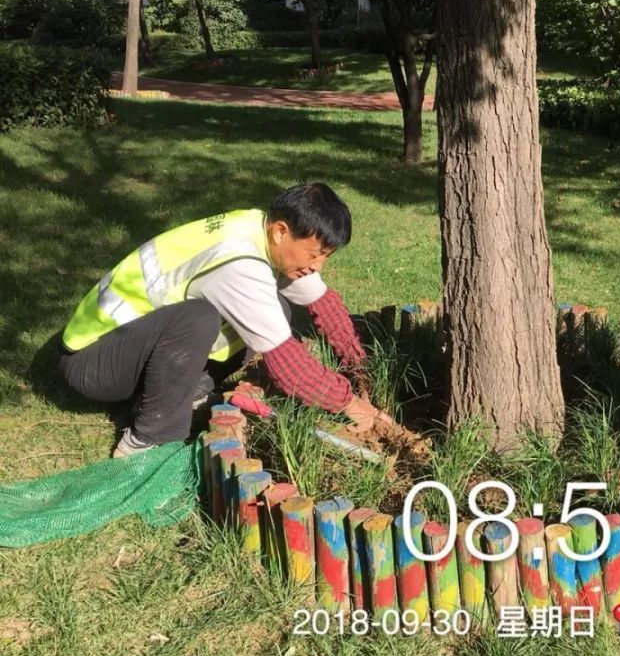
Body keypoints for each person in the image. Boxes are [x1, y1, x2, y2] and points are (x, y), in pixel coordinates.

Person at [58, 182, 394, 458]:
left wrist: (359, 369)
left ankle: (172, 396)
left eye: (325, 256)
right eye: (314, 254)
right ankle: (146, 440)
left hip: (134, 350)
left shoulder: (264, 233)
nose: (318, 265)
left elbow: (324, 305)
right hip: (94, 361)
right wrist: (349, 403)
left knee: (277, 309)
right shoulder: (239, 263)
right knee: (199, 318)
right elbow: (290, 369)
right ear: (281, 231)